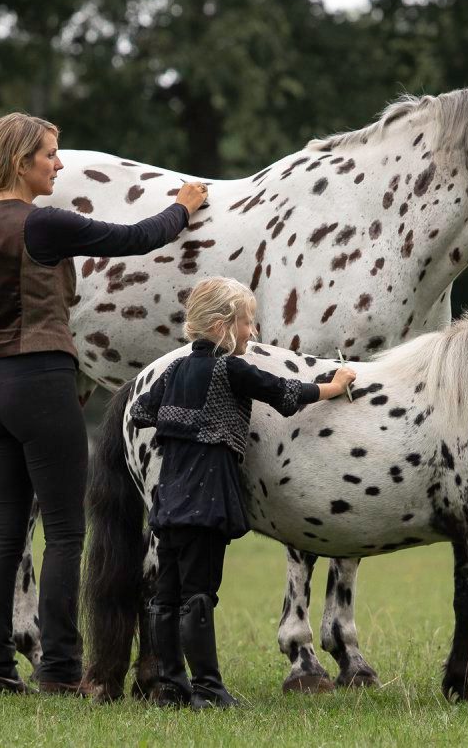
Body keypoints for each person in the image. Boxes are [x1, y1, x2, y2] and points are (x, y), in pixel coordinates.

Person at [0, 112, 208, 695]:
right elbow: (133, 241)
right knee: (64, 532)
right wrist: (182, 205)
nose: (58, 164)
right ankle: (58, 669)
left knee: (5, 532)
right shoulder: (45, 225)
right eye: (50, 155)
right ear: (20, 163)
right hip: (43, 383)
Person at [130, 277, 356, 710]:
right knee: (200, 593)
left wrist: (181, 419)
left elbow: (140, 412)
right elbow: (283, 394)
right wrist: (332, 385)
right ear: (221, 327)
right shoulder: (229, 369)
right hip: (205, 497)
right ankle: (209, 689)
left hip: (169, 497)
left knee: (167, 593)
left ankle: (171, 685)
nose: (253, 333)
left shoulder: (174, 370)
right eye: (248, 324)